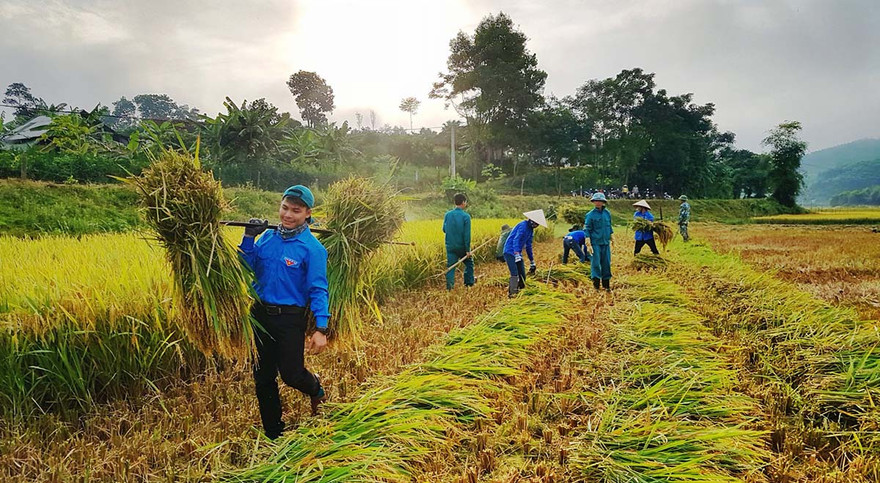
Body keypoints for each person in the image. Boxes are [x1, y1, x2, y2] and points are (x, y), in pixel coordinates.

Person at [239, 184, 329, 440]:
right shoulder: (267, 237)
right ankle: (274, 432)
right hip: (259, 315)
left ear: (308, 213)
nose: (288, 215)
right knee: (263, 376)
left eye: (296, 211)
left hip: (290, 318)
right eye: (285, 208)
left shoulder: (312, 249)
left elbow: (318, 289)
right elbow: (247, 267)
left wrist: (321, 328)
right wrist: (248, 237)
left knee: (291, 375)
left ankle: (315, 388)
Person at [503, 210, 548, 298]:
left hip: (517, 253)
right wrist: (516, 253)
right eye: (536, 223)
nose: (536, 226)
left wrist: (532, 261)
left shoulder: (531, 231)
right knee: (515, 273)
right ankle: (512, 295)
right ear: (531, 221)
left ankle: (521, 292)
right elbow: (516, 239)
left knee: (522, 274)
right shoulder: (523, 226)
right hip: (509, 251)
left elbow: (528, 246)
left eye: (537, 224)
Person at [442, 193, 474, 290]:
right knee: (469, 264)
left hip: (450, 246)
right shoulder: (466, 216)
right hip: (461, 247)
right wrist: (468, 250)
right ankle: (468, 284)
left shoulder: (447, 214)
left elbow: (444, 229)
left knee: (451, 266)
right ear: (463, 202)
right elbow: (466, 235)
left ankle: (449, 288)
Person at [584, 192, 613, 292]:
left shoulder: (607, 213)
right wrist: (588, 242)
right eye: (596, 201)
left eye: (600, 201)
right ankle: (596, 286)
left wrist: (612, 237)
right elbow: (587, 229)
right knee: (596, 264)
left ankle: (606, 285)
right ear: (593, 202)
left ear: (603, 202)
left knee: (606, 263)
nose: (598, 203)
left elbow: (609, 226)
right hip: (595, 243)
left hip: (605, 243)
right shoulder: (590, 215)